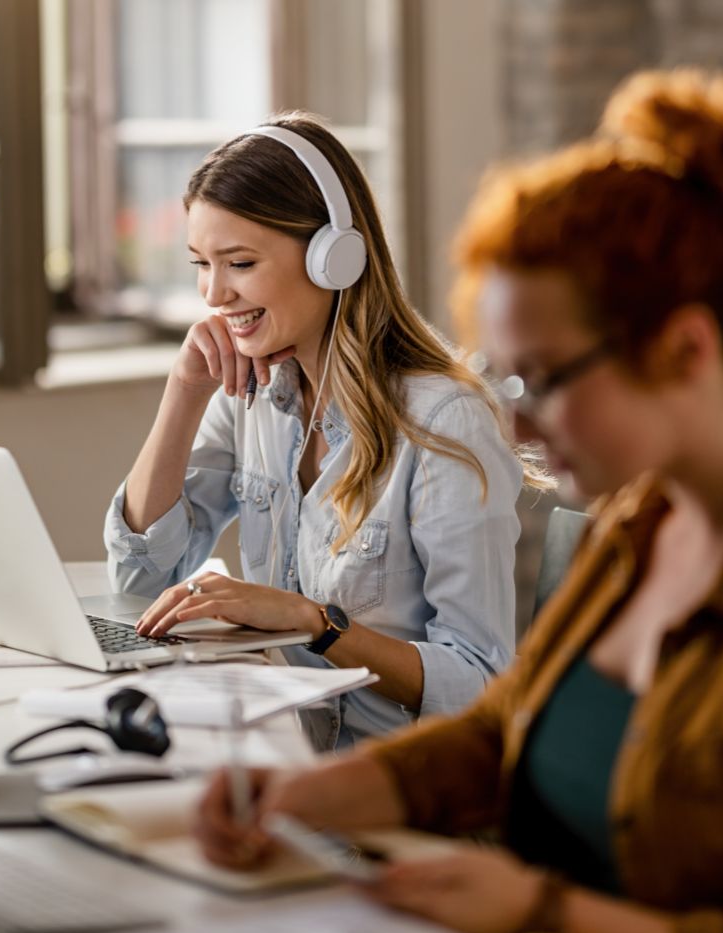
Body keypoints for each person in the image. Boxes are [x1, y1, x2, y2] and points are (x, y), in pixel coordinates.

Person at [195, 69, 723, 933]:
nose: (515, 426)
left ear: (686, 350)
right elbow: (506, 726)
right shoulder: (641, 530)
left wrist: (545, 914)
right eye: (506, 381)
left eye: (542, 379)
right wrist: (308, 795)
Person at [104, 111, 536, 751]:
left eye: (240, 263)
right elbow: (140, 577)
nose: (214, 294)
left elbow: (479, 683)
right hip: (279, 757)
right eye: (201, 263)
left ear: (335, 257)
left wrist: (316, 625)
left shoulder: (444, 423)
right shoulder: (253, 396)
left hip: (392, 789)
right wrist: (185, 391)